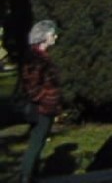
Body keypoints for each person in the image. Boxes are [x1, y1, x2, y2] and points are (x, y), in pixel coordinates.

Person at [19, 20, 62, 183]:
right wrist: (44, 99)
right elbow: (32, 86)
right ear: (43, 37)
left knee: (39, 141)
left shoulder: (41, 57)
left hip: (47, 106)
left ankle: (32, 174)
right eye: (52, 34)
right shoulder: (36, 59)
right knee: (36, 143)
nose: (55, 37)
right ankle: (26, 176)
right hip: (41, 108)